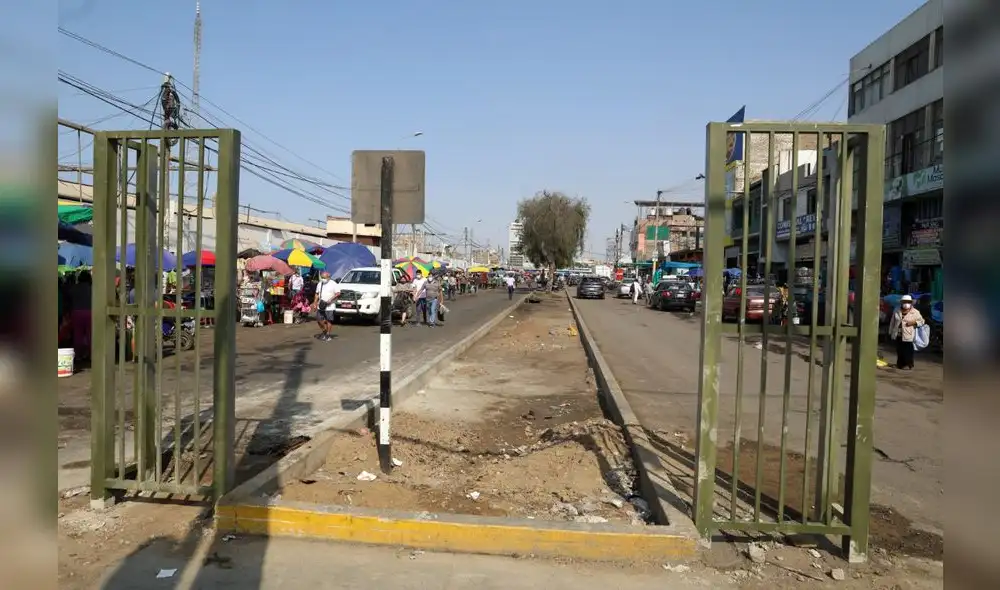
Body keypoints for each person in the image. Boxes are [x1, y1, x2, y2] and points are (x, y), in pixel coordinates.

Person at [888, 294, 925, 370]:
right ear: (901, 302)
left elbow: (922, 321)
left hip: (908, 334)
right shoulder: (897, 310)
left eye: (908, 302)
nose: (906, 304)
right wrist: (890, 331)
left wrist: (914, 323)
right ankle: (900, 364)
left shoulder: (915, 312)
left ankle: (909, 364)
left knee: (908, 350)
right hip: (898, 333)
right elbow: (892, 322)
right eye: (904, 302)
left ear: (911, 303)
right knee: (899, 350)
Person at [313, 271, 338, 341]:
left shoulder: (333, 284)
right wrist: (315, 303)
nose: (323, 279)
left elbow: (338, 293)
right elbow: (317, 294)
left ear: (329, 277)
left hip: (330, 305)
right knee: (318, 319)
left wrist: (331, 299)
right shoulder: (320, 284)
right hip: (321, 304)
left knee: (329, 320)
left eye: (324, 278)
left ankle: (328, 334)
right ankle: (324, 331)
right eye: (322, 277)